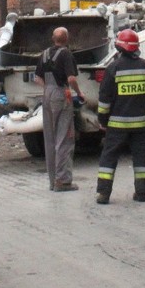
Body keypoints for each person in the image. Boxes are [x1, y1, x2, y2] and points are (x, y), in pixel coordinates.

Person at [95, 29, 145, 204]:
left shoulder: (113, 68)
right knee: (140, 158)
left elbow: (104, 99)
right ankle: (141, 193)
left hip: (116, 125)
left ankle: (103, 194)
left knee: (109, 158)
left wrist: (102, 120)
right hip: (139, 124)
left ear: (119, 47)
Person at [35, 26, 85, 192]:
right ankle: (63, 181)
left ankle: (52, 181)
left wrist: (48, 90)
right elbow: (71, 78)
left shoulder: (44, 54)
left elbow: (37, 78)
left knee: (49, 139)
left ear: (52, 38)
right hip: (60, 93)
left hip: (47, 93)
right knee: (64, 137)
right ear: (67, 39)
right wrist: (79, 93)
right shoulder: (66, 54)